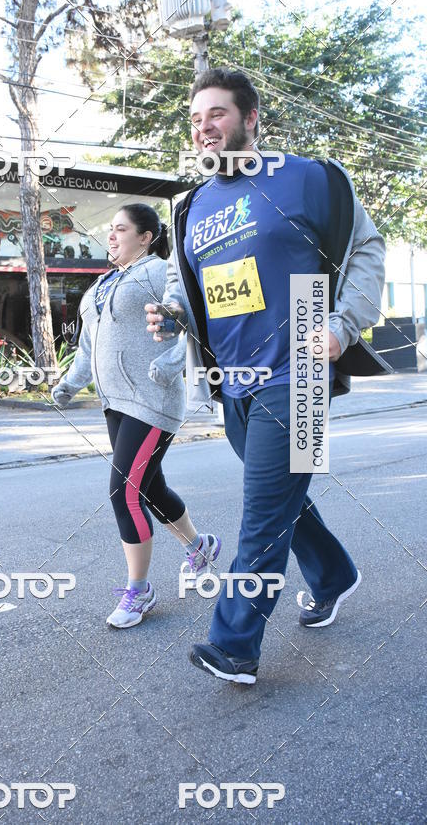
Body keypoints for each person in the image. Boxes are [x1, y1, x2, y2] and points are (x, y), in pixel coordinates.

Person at [146, 68, 386, 683]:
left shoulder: (307, 179)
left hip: (299, 375)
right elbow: (184, 283)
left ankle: (234, 644)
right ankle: (334, 574)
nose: (205, 128)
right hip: (234, 383)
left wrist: (340, 326)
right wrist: (172, 315)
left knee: (260, 511)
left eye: (218, 115)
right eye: (197, 120)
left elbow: (366, 247)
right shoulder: (192, 208)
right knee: (284, 496)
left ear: (251, 119)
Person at [52, 203, 222, 628]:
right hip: (115, 403)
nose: (111, 237)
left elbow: (184, 320)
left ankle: (139, 591)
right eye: (109, 229)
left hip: (153, 400)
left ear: (146, 237)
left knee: (123, 491)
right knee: (150, 488)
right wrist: (70, 384)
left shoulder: (161, 271)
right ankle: (199, 547)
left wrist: (169, 363)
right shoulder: (100, 286)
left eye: (121, 230)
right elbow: (87, 349)